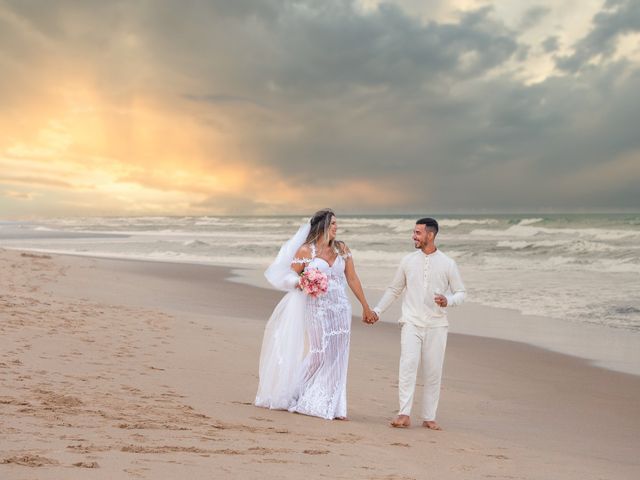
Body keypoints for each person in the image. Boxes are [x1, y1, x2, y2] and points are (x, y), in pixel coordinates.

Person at [255, 209, 374, 420]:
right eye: (333, 223)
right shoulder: (305, 251)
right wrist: (300, 282)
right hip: (316, 308)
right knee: (319, 354)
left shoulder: (342, 249)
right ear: (322, 226)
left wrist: (365, 306)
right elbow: (287, 276)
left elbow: (353, 278)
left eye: (337, 224)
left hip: (340, 308)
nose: (337, 227)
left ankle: (332, 404)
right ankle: (295, 393)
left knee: (338, 356)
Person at [366, 217, 465, 430]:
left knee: (433, 372)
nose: (414, 236)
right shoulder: (408, 261)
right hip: (411, 322)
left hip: (437, 325)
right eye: (414, 232)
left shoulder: (448, 263)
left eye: (418, 233)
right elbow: (394, 289)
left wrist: (449, 300)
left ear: (431, 235)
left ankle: (429, 417)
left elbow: (461, 293)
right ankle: (404, 413)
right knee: (408, 366)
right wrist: (377, 310)